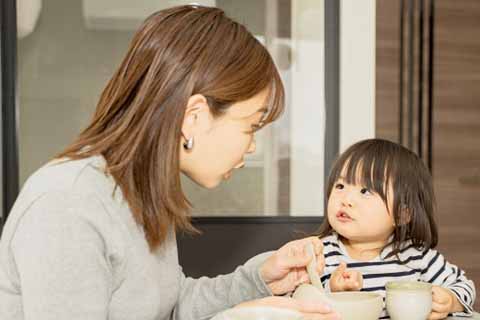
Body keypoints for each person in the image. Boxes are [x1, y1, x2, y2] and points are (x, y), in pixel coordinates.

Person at [0, 5, 340, 320]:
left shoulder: (140, 191)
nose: (251, 146)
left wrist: (258, 281)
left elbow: (170, 306)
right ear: (194, 116)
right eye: (250, 126)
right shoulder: (68, 205)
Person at [315, 138, 476, 319]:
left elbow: (465, 286)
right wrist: (332, 291)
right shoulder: (320, 253)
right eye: (340, 186)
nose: (346, 199)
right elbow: (293, 301)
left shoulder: (416, 256)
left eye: (365, 191)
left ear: (402, 214)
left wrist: (450, 300)